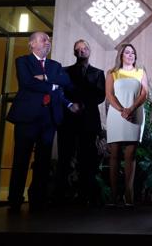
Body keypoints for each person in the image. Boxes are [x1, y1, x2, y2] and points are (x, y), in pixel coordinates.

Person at [6, 31, 78, 212]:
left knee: (43, 162)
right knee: (21, 159)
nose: (48, 42)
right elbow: (27, 83)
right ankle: (15, 199)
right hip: (26, 118)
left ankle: (37, 199)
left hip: (49, 119)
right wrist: (54, 85)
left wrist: (46, 78)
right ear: (31, 44)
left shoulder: (55, 65)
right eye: (43, 39)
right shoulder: (23, 61)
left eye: (49, 39)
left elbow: (66, 81)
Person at [54, 39, 106, 207]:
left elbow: (100, 96)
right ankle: (60, 196)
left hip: (89, 121)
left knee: (87, 161)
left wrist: (82, 104)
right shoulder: (64, 71)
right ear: (74, 53)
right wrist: (70, 105)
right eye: (79, 49)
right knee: (65, 158)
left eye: (85, 48)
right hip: (68, 121)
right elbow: (60, 92)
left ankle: (85, 196)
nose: (82, 51)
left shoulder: (98, 73)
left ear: (89, 51)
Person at [105, 43, 148, 207]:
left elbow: (144, 93)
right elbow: (109, 94)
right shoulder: (113, 73)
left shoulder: (140, 72)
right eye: (127, 52)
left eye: (132, 53)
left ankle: (129, 196)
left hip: (135, 114)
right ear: (121, 55)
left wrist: (131, 109)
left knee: (131, 155)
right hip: (117, 116)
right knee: (114, 155)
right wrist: (122, 110)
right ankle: (114, 196)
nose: (130, 55)